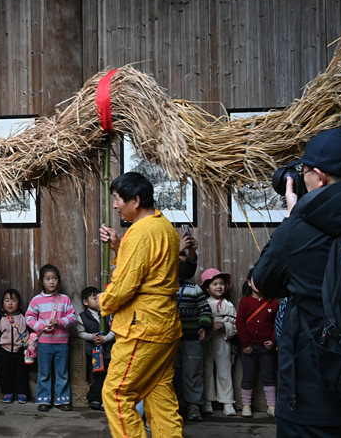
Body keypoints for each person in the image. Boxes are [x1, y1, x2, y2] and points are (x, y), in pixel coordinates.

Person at [252, 125, 341, 437]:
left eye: (304, 171)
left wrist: (294, 217)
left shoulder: (299, 227)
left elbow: (263, 283)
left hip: (313, 399)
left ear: (319, 177)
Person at [97, 171, 183, 438]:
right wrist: (117, 248)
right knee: (159, 394)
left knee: (115, 393)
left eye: (117, 199)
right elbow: (150, 270)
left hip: (143, 327)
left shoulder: (140, 232)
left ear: (135, 200)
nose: (114, 205)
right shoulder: (164, 226)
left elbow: (125, 286)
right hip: (165, 325)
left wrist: (103, 301)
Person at [25, 264, 75, 411]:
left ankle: (62, 400)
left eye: (54, 278)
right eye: (48, 279)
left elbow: (72, 317)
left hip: (62, 343)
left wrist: (59, 322)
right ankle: (44, 400)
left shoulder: (64, 299)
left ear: (58, 280)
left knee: (62, 373)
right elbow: (29, 318)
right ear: (42, 281)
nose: (51, 281)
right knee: (44, 372)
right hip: (44, 343)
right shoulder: (36, 301)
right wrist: (42, 326)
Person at [236, 268, 277, 418]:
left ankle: (271, 406)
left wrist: (273, 341)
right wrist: (245, 344)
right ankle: (246, 406)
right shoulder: (245, 302)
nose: (259, 283)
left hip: (267, 349)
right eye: (255, 280)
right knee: (248, 376)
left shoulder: (273, 304)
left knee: (269, 376)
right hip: (249, 348)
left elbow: (276, 324)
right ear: (249, 282)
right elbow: (239, 324)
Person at [199, 268, 237, 416]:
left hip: (223, 340)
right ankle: (207, 402)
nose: (219, 286)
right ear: (207, 288)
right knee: (206, 370)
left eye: (221, 283)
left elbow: (236, 326)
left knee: (224, 371)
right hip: (206, 341)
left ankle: (228, 403)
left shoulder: (229, 305)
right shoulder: (204, 304)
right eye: (215, 284)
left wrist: (223, 326)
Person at [174, 275, 211, 422]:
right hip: (169, 339)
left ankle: (194, 406)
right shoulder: (161, 287)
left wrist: (203, 326)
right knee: (171, 374)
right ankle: (172, 407)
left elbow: (205, 309)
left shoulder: (194, 288)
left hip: (192, 338)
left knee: (193, 372)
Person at [75, 286, 115, 411]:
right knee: (98, 375)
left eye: (100, 297)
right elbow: (80, 333)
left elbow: (115, 330)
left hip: (110, 350)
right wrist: (91, 337)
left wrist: (105, 339)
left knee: (111, 375)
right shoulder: (82, 317)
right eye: (95, 298)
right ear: (85, 302)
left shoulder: (108, 313)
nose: (99, 300)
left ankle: (107, 401)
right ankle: (95, 399)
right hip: (95, 352)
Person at [0, 288, 30, 404]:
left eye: (14, 300)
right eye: (7, 300)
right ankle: (7, 392)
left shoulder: (24, 317)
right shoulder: (1, 318)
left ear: (19, 303)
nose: (10, 303)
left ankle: (22, 393)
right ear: (3, 303)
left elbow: (29, 332)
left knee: (21, 372)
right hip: (4, 350)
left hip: (20, 350)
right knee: (5, 372)